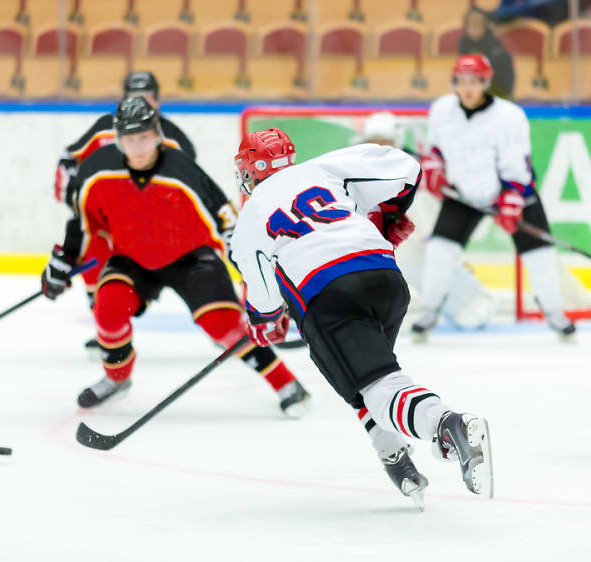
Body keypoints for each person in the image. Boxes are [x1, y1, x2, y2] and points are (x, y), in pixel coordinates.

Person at [230, 128, 494, 504]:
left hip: (332, 296)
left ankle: (445, 424)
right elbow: (406, 167)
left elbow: (262, 294)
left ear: (250, 170)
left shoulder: (252, 213)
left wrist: (265, 322)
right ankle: (394, 457)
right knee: (363, 377)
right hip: (386, 280)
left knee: (378, 385)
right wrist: (386, 217)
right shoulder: (323, 169)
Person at [41, 96, 311, 418]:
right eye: (129, 139)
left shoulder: (182, 170)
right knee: (107, 308)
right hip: (132, 258)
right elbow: (82, 222)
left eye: (143, 137)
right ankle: (117, 379)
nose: (138, 147)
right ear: (118, 138)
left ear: (156, 134)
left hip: (191, 258)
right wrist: (64, 261)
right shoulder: (96, 170)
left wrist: (251, 269)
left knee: (222, 323)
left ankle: (286, 384)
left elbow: (225, 218)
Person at [413, 54, 575, 340]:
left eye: (474, 82)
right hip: (463, 194)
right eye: (462, 81)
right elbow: (435, 149)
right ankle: (429, 312)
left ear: (485, 83)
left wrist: (512, 199)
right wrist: (435, 167)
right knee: (440, 251)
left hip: (510, 192)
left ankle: (555, 315)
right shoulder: (441, 110)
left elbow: (519, 165)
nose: (468, 88)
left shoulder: (509, 116)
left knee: (541, 255)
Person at [53, 71, 196, 350]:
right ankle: (106, 328)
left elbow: (191, 185)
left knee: (194, 266)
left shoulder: (173, 138)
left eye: (146, 98)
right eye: (133, 98)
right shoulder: (104, 127)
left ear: (157, 101)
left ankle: (217, 311)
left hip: (156, 229)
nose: (140, 104)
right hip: (110, 224)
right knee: (93, 250)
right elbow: (67, 160)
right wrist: (76, 196)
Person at [362, 111, 498, 330]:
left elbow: (429, 200)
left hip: (410, 236)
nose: (378, 146)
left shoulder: (411, 166)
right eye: (373, 141)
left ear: (395, 141)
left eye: (384, 141)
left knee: (424, 264)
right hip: (379, 236)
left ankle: (469, 301)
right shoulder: (357, 166)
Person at [458, 7, 514, 98]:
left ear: (485, 27)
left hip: (495, 86)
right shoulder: (463, 42)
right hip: (472, 86)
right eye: (472, 27)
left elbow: (502, 69)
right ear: (466, 27)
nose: (475, 31)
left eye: (479, 26)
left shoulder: (493, 42)